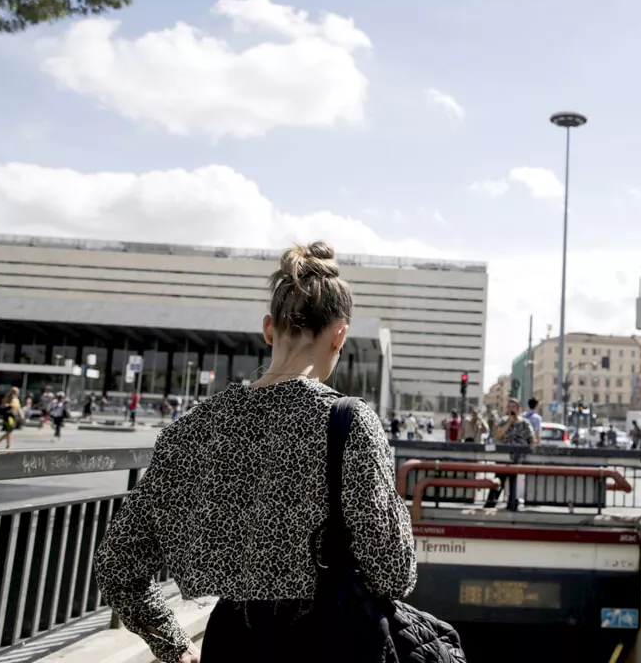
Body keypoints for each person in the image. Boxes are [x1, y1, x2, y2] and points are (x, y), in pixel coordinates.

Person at [95, 241, 415, 663]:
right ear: (340, 335)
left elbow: (117, 566)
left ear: (269, 328)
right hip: (331, 640)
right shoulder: (349, 423)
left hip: (234, 641)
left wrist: (174, 646)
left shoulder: (193, 428)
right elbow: (393, 572)